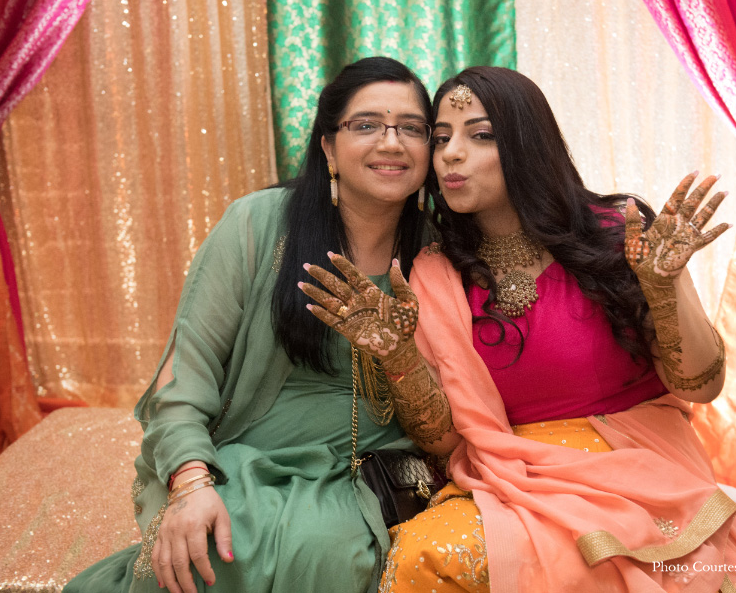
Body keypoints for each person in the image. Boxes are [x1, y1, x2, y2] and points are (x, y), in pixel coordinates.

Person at [303, 66, 736, 593]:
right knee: (424, 556)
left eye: (480, 135)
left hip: (637, 465)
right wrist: (397, 356)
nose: (450, 155)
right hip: (511, 477)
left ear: (527, 143)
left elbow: (702, 385)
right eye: (442, 138)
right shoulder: (436, 272)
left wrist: (664, 287)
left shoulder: (619, 236)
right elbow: (444, 441)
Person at [63, 56, 453, 593]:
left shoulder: (437, 251)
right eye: (366, 125)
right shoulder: (257, 224)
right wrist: (191, 482)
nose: (391, 143)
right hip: (247, 460)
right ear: (328, 147)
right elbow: (185, 376)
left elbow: (454, 411)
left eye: (411, 128)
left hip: (374, 474)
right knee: (208, 549)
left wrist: (396, 351)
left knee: (330, 554)